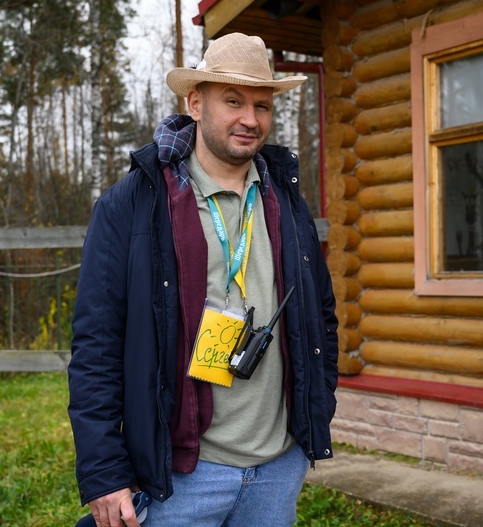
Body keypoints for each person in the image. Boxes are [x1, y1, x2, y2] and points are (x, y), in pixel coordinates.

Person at [67, 32, 339, 527]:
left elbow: (321, 316)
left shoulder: (287, 200)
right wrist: (104, 472)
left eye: (262, 105)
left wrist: (314, 416)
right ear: (195, 103)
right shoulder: (134, 205)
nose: (250, 119)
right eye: (233, 101)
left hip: (278, 469)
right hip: (180, 477)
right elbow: (97, 347)